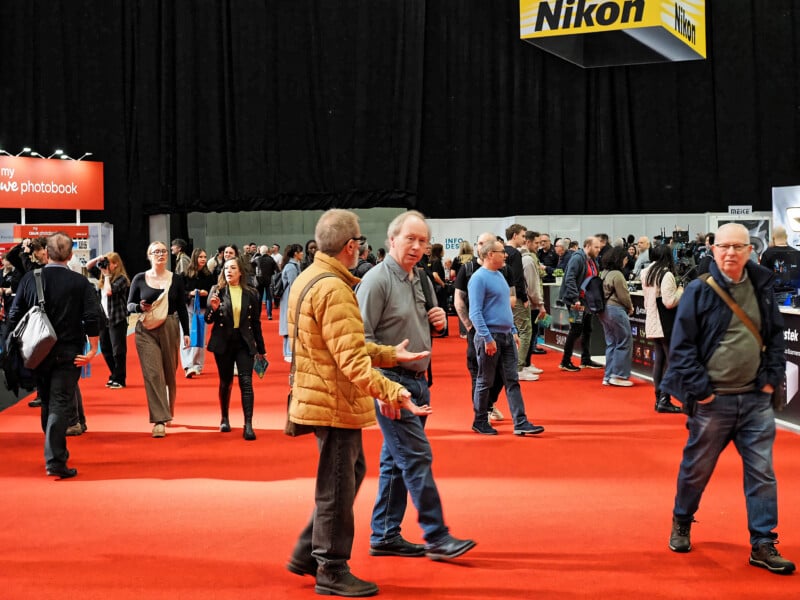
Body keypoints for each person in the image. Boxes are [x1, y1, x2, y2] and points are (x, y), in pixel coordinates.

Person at [285, 208, 432, 598]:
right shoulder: (334, 289)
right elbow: (350, 358)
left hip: (319, 395)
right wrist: (394, 391)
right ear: (352, 246)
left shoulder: (308, 279)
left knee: (348, 473)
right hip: (333, 401)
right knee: (337, 484)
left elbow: (343, 344)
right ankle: (330, 567)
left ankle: (307, 552)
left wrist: (388, 354)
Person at [661, 223, 795, 575]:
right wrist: (702, 391)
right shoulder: (697, 290)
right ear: (713, 249)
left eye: (739, 246)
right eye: (724, 246)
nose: (731, 253)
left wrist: (769, 379)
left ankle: (763, 543)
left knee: (763, 474)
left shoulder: (762, 286)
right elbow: (682, 347)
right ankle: (682, 519)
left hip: (755, 401)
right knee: (696, 470)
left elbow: (775, 337)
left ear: (751, 250)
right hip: (712, 403)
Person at [356, 210, 476, 563]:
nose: (417, 246)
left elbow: (416, 326)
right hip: (393, 383)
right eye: (410, 238)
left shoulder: (416, 278)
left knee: (396, 462)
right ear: (392, 240)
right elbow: (359, 341)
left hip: (418, 382)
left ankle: (385, 535)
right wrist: (383, 391)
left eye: (423, 240)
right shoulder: (377, 280)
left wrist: (436, 322)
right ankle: (437, 537)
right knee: (415, 456)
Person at [5, 232, 100, 479]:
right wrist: (92, 349)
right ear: (70, 255)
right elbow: (92, 318)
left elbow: (14, 316)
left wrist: (14, 347)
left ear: (46, 253)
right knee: (60, 403)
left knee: (47, 401)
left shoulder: (30, 278)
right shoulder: (80, 283)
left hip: (37, 352)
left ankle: (53, 452)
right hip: (68, 353)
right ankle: (55, 458)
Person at [468, 237, 545, 437]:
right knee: (485, 381)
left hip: (505, 336)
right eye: (502, 251)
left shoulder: (500, 275)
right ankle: (479, 421)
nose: (505, 255)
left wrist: (512, 330)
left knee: (512, 380)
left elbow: (504, 308)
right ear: (490, 254)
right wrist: (487, 338)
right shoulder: (478, 278)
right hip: (490, 337)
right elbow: (475, 313)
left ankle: (520, 422)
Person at [127, 241, 190, 438]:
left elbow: (182, 307)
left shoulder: (176, 279)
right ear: (149, 255)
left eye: (163, 251)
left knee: (170, 373)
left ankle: (168, 410)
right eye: (156, 252)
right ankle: (159, 420)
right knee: (153, 374)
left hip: (170, 326)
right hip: (145, 330)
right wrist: (139, 308)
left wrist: (186, 333)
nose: (160, 254)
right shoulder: (139, 278)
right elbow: (128, 305)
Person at [205, 257, 265, 440]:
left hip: (244, 343)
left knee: (246, 382)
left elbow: (256, 323)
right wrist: (213, 310)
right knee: (226, 382)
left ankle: (248, 424)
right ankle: (224, 418)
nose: (228, 271)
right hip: (223, 343)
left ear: (240, 272)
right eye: (226, 268)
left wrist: (261, 349)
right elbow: (208, 320)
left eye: (232, 268)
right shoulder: (217, 291)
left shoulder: (251, 293)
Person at [641, 244, 683, 413]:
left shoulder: (646, 273)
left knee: (660, 361)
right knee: (671, 362)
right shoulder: (665, 274)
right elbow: (669, 301)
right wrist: (681, 290)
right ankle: (665, 398)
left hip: (652, 319)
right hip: (665, 322)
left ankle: (659, 398)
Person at [558, 236, 604, 372]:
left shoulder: (593, 260)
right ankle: (565, 361)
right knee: (576, 329)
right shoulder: (577, 258)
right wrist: (575, 298)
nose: (598, 250)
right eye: (596, 247)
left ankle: (585, 359)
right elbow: (569, 278)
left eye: (599, 247)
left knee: (587, 329)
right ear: (588, 246)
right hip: (575, 301)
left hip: (587, 301)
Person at [89, 252, 131, 389]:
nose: (106, 266)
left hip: (117, 319)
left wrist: (106, 276)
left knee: (118, 350)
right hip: (104, 319)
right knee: (106, 348)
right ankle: (114, 375)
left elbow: (109, 291)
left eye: (109, 263)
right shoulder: (103, 277)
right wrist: (98, 259)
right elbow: (89, 267)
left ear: (116, 264)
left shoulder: (122, 279)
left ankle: (120, 378)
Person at [597, 246, 634, 387]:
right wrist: (630, 307)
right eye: (625, 259)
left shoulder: (604, 273)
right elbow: (624, 296)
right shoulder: (617, 275)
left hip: (604, 310)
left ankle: (609, 375)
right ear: (619, 259)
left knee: (611, 342)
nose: (626, 262)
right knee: (624, 341)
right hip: (616, 309)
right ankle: (619, 375)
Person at [181, 248, 216, 378]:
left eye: (204, 257)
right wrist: (190, 293)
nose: (203, 259)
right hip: (188, 308)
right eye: (200, 257)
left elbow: (213, 290)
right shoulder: (185, 275)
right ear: (194, 258)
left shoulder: (208, 275)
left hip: (202, 309)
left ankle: (197, 364)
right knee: (187, 334)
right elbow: (180, 292)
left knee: (200, 336)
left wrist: (206, 293)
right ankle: (187, 364)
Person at [759, 225, 800, 304]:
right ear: (786, 237)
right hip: (793, 297)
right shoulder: (797, 253)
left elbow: (762, 278)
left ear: (773, 237)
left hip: (772, 296)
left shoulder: (767, 254)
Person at [278, 243, 303, 362]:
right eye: (300, 252)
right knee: (289, 324)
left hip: (288, 298)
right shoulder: (292, 267)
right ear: (295, 254)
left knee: (289, 324)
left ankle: (288, 351)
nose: (302, 254)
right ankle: (289, 351)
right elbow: (295, 284)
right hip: (290, 299)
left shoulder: (292, 265)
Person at [254, 244, 278, 319]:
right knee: (269, 298)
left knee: (259, 298)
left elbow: (250, 262)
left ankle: (258, 315)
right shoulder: (271, 259)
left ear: (260, 251)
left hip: (259, 281)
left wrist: (256, 253)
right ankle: (269, 315)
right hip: (268, 280)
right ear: (267, 251)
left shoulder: (257, 258)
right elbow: (277, 269)